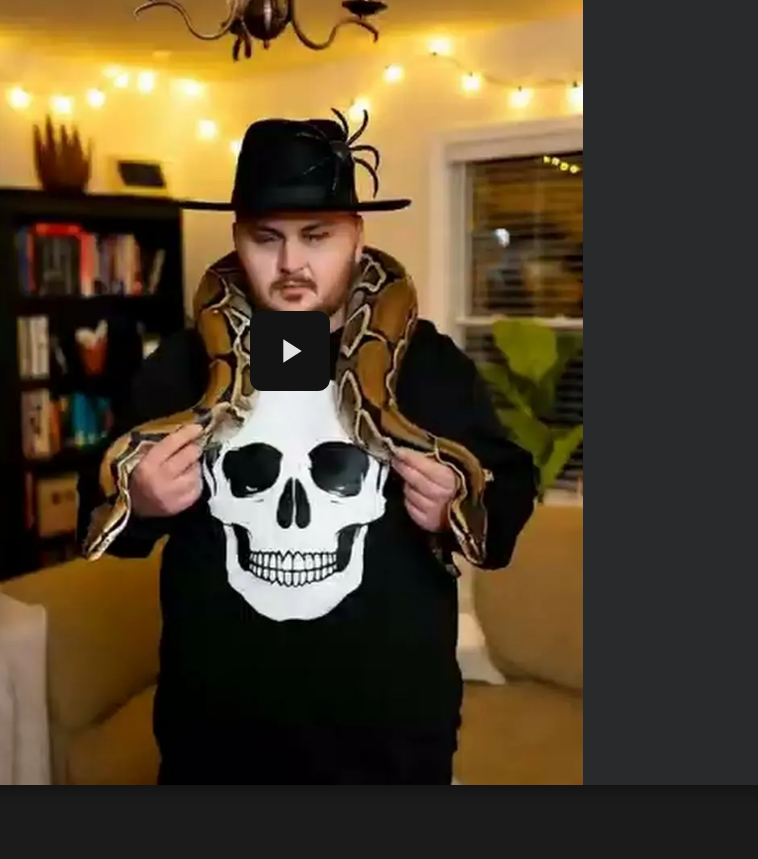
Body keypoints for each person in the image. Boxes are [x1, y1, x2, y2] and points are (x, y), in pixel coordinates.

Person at [78, 112, 541, 784]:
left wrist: (456, 507)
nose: (291, 264)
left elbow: (511, 492)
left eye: (316, 237)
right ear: (237, 241)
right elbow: (98, 518)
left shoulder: (427, 364)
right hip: (216, 741)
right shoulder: (183, 363)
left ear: (357, 237)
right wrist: (141, 502)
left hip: (388, 744)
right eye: (266, 238)